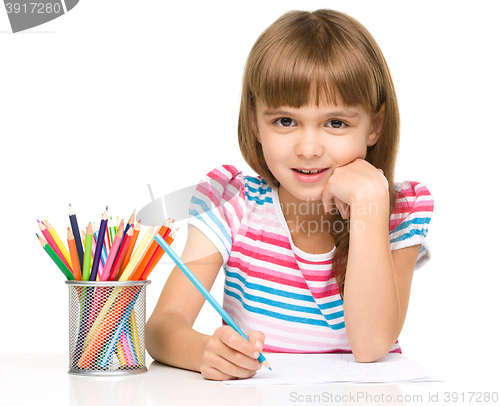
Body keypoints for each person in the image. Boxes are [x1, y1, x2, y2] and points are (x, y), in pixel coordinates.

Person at [146, 9, 434, 381]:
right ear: (255, 121)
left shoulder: (399, 210)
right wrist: (205, 350)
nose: (309, 148)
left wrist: (369, 201)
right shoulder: (230, 201)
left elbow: (372, 345)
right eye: (285, 121)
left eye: (336, 123)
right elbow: (161, 328)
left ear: (374, 126)